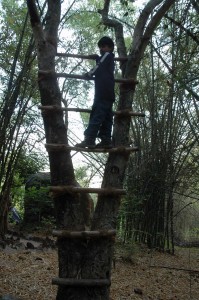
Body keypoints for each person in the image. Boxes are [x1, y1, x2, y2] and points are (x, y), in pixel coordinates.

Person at [76, 36, 115, 149]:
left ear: (110, 47)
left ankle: (89, 139)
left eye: (103, 46)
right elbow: (101, 64)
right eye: (100, 47)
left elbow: (99, 66)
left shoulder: (107, 56)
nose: (101, 49)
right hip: (108, 92)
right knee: (107, 116)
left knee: (97, 115)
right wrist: (98, 57)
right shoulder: (108, 57)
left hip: (102, 92)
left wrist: (88, 74)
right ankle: (106, 140)